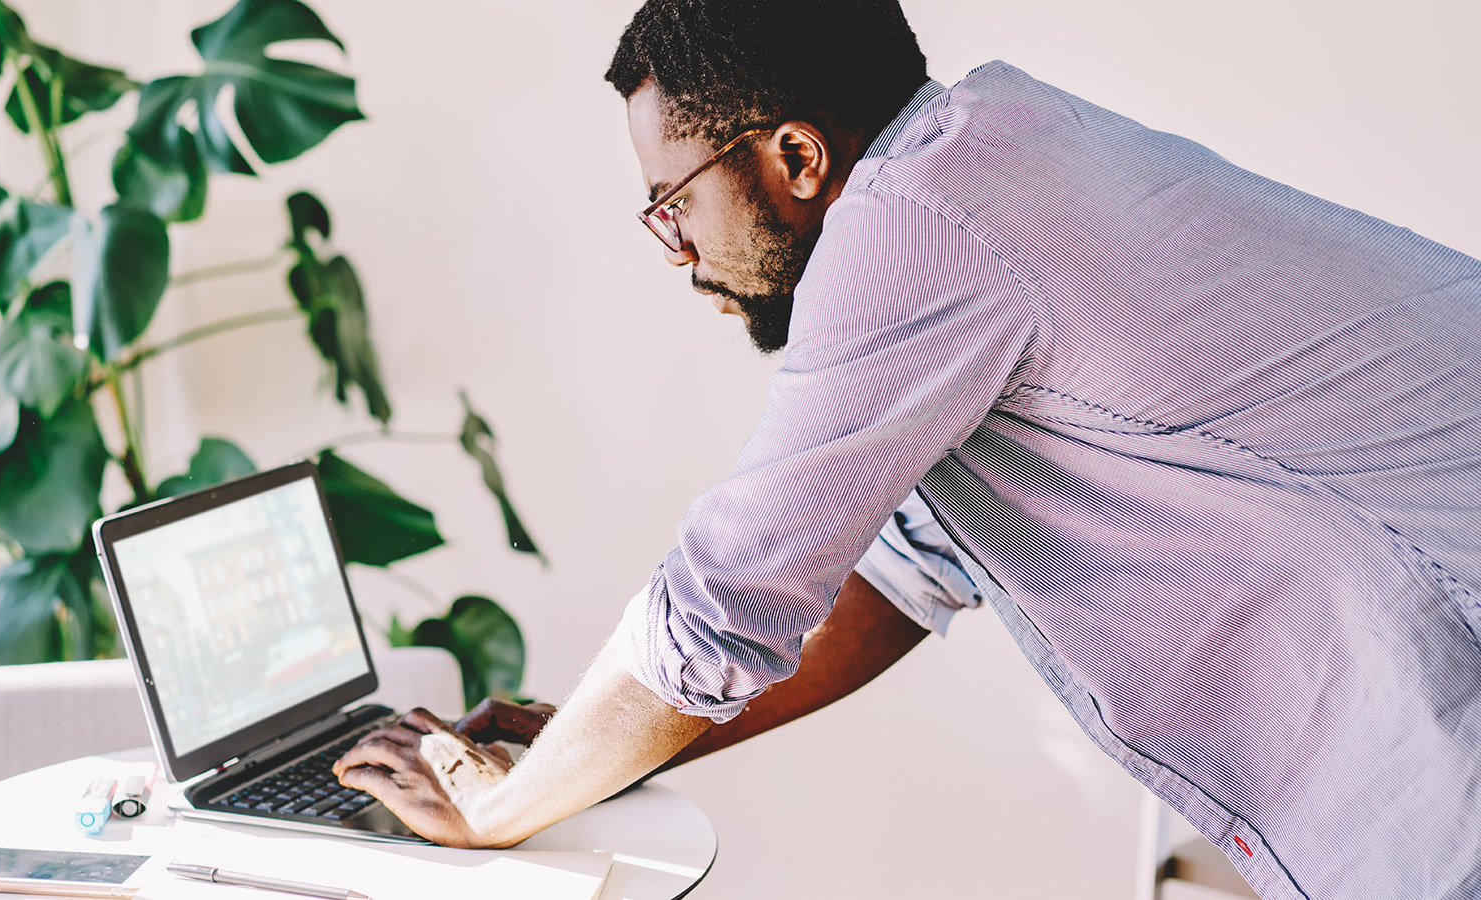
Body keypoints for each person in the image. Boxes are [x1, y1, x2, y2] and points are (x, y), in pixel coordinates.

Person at [333, 2, 1481, 897]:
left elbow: (725, 594)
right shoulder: (1000, 152)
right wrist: (597, 752)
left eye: (672, 203)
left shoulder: (913, 220)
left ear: (792, 156)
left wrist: (506, 809)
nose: (676, 253)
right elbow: (902, 567)